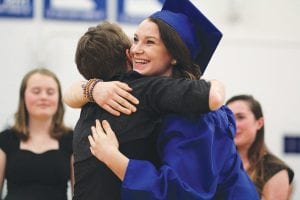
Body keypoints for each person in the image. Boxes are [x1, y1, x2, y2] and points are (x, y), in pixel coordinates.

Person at [65, 0, 259, 199]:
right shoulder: (159, 101)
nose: (135, 50)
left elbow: (183, 194)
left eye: (150, 42)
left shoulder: (192, 118)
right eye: (135, 39)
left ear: (174, 55)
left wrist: (113, 157)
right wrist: (92, 88)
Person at [0, 68, 74, 200]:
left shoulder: (72, 139)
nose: (43, 97)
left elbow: (80, 194)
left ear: (59, 98)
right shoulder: (5, 139)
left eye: (50, 92)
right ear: (23, 97)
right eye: (36, 91)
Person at [226, 94, 294, 199]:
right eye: (228, 117)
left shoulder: (274, 170)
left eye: (240, 117)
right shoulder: (219, 164)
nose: (234, 124)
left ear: (259, 123)